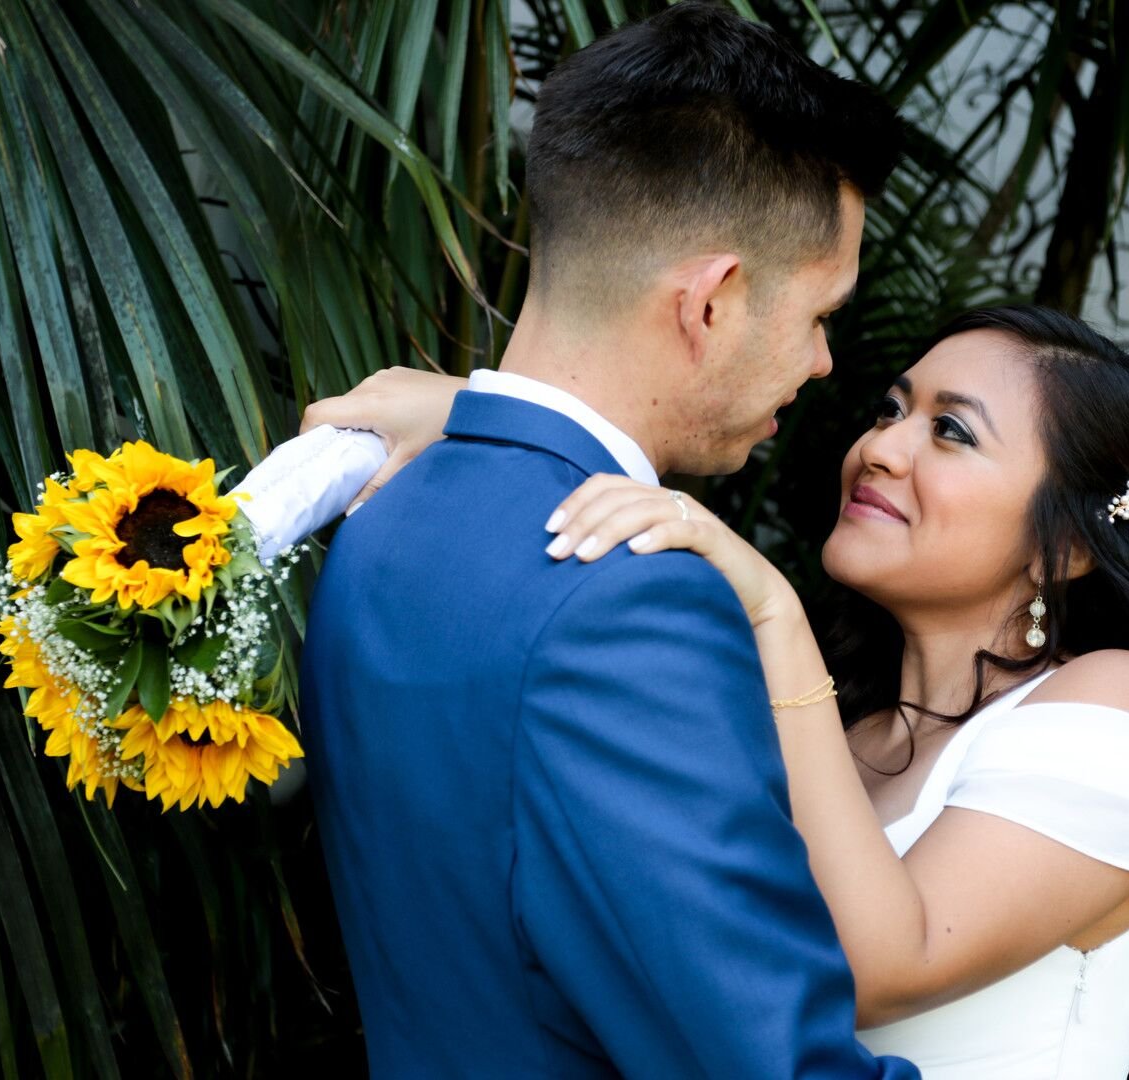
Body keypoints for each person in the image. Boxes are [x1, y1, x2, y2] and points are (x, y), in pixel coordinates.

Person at [281, 306, 1129, 1077]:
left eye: (952, 432)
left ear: (1072, 544)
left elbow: (879, 965)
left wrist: (775, 612)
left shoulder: (1122, 704)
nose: (881, 447)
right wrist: (478, 413)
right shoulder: (844, 728)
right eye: (891, 408)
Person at [241, 4, 919, 1076]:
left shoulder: (381, 523)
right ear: (714, 302)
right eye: (820, 314)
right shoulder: (627, 600)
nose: (828, 361)